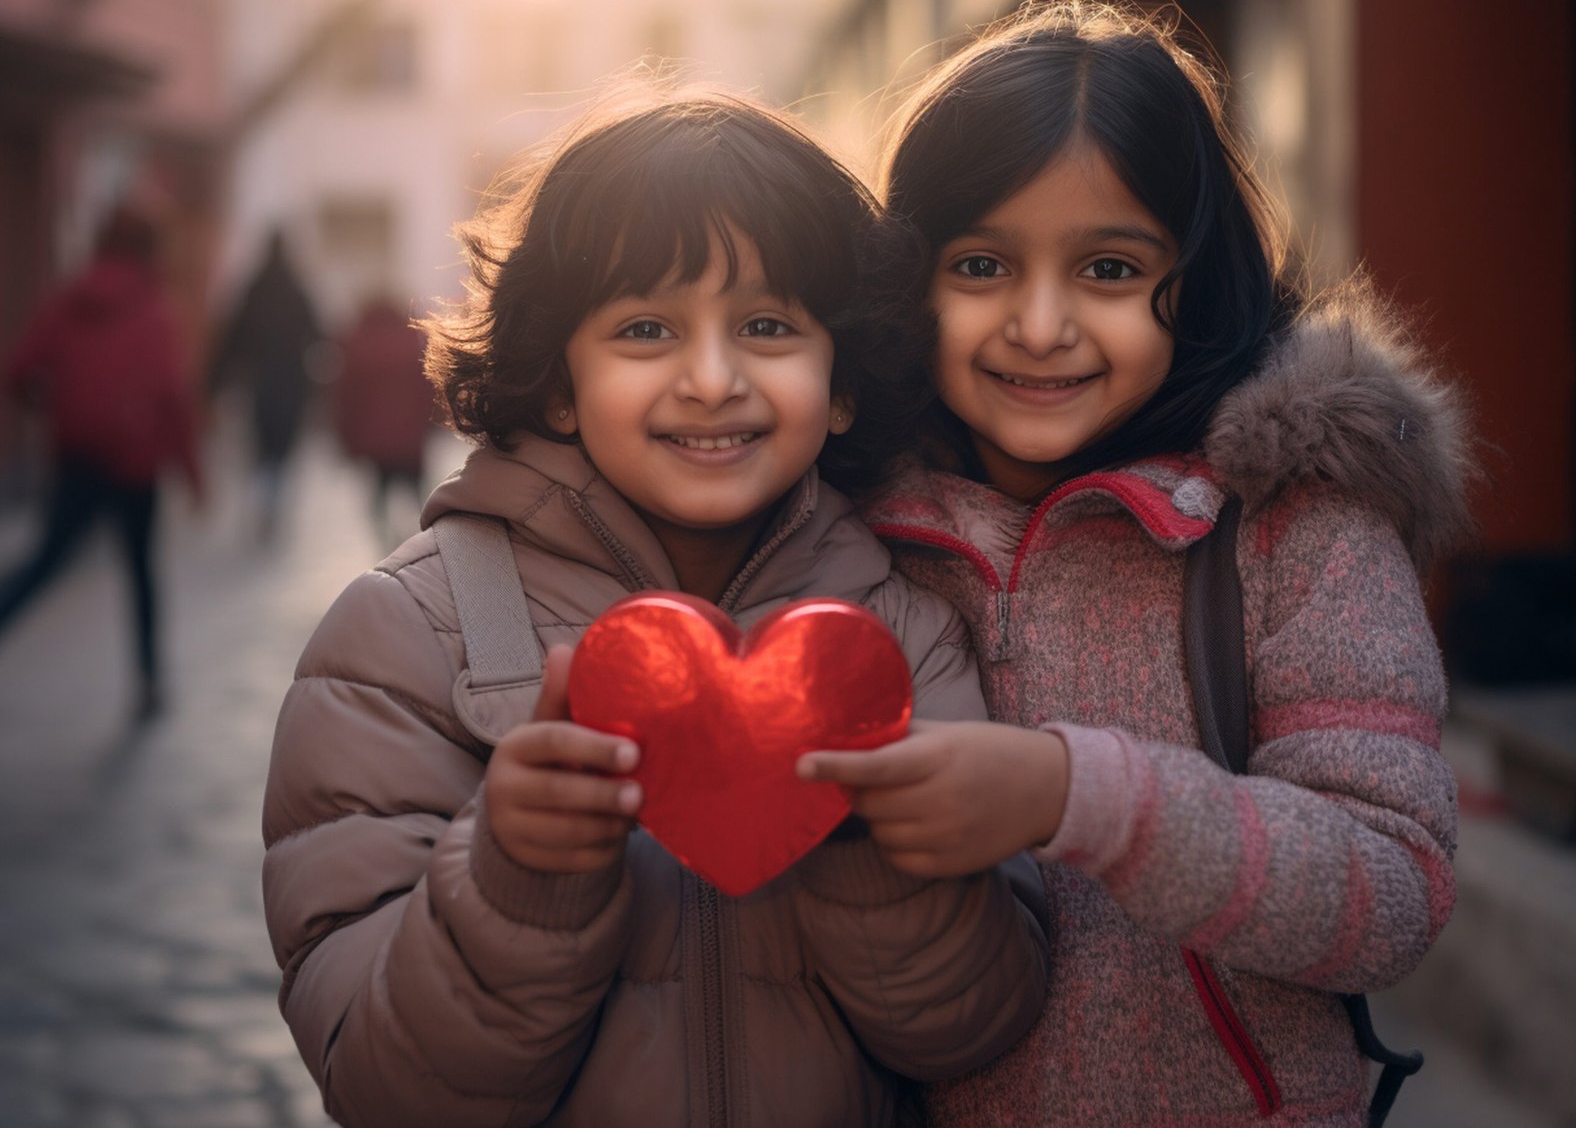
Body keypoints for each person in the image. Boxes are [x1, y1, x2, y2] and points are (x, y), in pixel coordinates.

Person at [262, 91, 1052, 1127]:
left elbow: (979, 1024)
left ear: (843, 381)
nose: (712, 379)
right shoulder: (400, 639)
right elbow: (383, 1083)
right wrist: (518, 878)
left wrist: (871, 845)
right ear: (558, 380)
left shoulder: (903, 633)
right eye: (646, 329)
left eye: (766, 326)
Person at [800, 0, 1472, 1125]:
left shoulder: (1296, 526)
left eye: (1109, 269)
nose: (1040, 324)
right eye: (981, 264)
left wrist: (1087, 796)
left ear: (1196, 279)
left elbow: (1392, 891)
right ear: (906, 280)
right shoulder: (843, 528)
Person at [0, 204, 203, 721]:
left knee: (43, 564)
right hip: (136, 464)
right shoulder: (154, 308)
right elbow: (173, 397)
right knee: (141, 572)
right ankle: (149, 682)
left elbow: (19, 372)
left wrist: (57, 405)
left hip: (76, 457)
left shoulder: (67, 297)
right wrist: (194, 475)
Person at [209, 227, 321, 544]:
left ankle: (261, 502)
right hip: (291, 382)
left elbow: (234, 336)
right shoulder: (298, 290)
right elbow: (317, 334)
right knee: (282, 448)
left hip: (259, 382)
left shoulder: (253, 289)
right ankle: (272, 506)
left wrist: (216, 381)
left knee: (261, 446)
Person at [331, 294, 436, 547]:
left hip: (375, 440)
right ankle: (421, 544)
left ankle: (387, 544)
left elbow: (345, 396)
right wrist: (432, 423)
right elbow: (429, 387)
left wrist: (345, 435)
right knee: (419, 496)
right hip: (410, 436)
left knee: (379, 496)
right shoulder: (413, 339)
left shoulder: (356, 341)